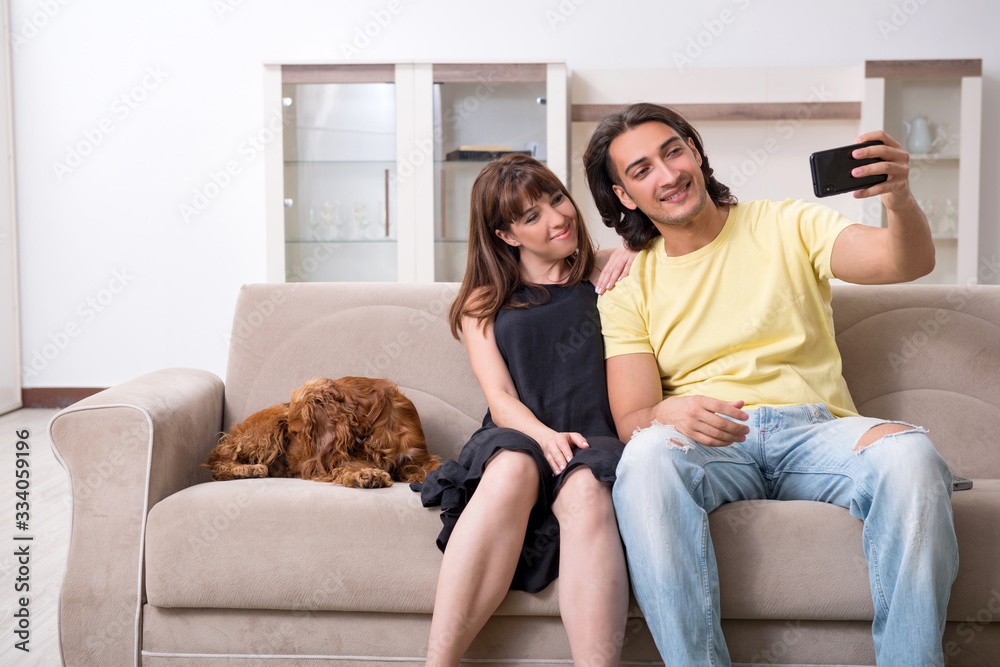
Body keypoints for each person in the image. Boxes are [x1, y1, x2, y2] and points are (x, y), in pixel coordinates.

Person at [582, 103, 959, 666]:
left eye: (673, 151)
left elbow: (904, 262)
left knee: (913, 456)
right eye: (641, 171)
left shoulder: (786, 223)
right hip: (713, 443)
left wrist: (898, 198)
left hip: (816, 432)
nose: (667, 174)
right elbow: (634, 418)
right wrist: (671, 412)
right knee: (645, 460)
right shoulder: (628, 286)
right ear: (624, 196)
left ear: (696, 152)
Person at [412, 153, 634, 666]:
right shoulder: (483, 301)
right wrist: (543, 435)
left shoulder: (606, 272)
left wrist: (628, 250)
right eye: (532, 216)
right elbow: (500, 398)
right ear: (506, 235)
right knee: (511, 466)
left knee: (586, 486)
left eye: (556, 199)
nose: (559, 218)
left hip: (595, 437)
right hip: (517, 432)